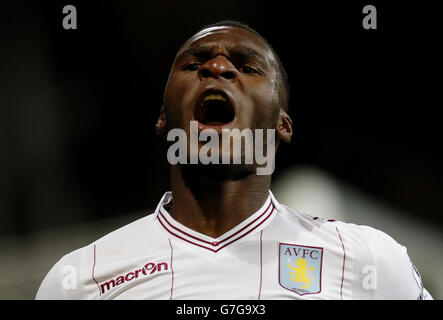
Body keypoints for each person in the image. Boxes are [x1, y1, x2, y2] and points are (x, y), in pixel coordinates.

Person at [36, 20, 432, 300]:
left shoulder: (369, 261)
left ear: (283, 125)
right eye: (194, 65)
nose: (217, 68)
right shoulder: (80, 280)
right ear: (163, 118)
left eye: (245, 66)